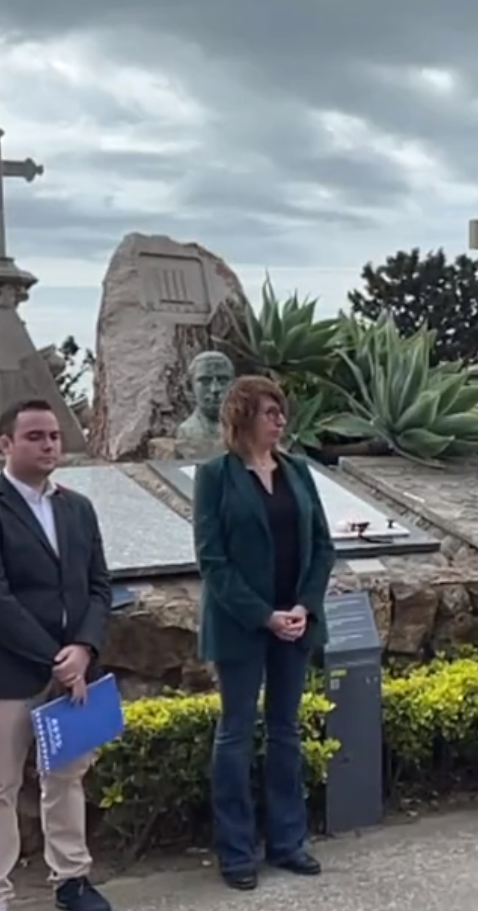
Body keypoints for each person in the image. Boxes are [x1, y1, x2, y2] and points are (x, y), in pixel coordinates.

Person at [0, 399, 116, 911]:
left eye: (53, 435)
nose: (48, 444)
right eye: (35, 436)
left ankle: (72, 879)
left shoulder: (77, 507)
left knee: (67, 778)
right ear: (6, 444)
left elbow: (98, 585)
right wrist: (56, 656)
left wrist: (85, 648)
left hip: (75, 672)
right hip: (8, 673)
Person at [192, 376, 336, 891]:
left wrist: (303, 606)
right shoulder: (215, 476)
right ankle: (235, 851)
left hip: (293, 624)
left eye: (281, 411)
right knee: (235, 734)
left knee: (285, 731)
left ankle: (287, 841)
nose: (279, 419)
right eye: (268, 411)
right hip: (240, 627)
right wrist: (263, 614)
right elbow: (213, 559)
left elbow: (322, 545)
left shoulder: (297, 471)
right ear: (242, 417)